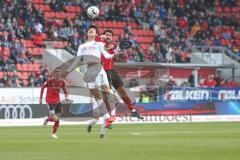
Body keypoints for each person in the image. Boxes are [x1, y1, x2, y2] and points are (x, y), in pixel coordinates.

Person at [63, 25, 114, 138]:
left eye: (92, 30)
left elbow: (106, 54)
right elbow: (77, 60)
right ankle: (106, 117)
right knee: (97, 96)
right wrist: (69, 70)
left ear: (95, 34)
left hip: (99, 68)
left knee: (106, 91)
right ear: (87, 33)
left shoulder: (99, 44)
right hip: (89, 71)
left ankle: (107, 118)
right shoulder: (82, 46)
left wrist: (112, 52)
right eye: (88, 30)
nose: (90, 31)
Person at [100, 29, 144, 128]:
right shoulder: (99, 43)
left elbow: (115, 53)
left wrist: (119, 54)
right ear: (103, 35)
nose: (108, 36)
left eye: (110, 35)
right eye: (106, 34)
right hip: (103, 72)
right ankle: (108, 118)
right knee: (107, 95)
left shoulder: (114, 45)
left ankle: (132, 110)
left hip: (112, 71)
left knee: (122, 92)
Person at [39, 67, 69, 139]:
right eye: (57, 72)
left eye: (59, 72)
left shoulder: (62, 81)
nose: (58, 73)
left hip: (57, 101)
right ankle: (48, 120)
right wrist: (40, 98)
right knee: (56, 119)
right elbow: (43, 86)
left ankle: (53, 133)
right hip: (49, 101)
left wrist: (66, 96)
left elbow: (65, 90)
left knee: (58, 118)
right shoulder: (50, 81)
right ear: (54, 73)